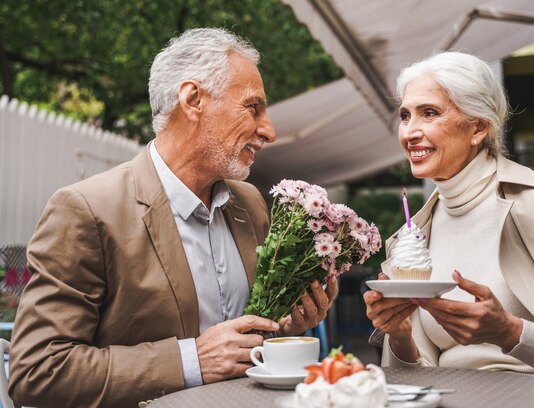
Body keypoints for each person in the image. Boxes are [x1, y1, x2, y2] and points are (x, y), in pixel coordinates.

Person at [8, 28, 337, 408]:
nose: (270, 131)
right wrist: (192, 360)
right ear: (193, 99)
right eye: (253, 107)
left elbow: (245, 340)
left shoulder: (249, 204)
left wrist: (285, 326)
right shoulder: (85, 210)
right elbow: (37, 370)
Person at [364, 51, 534, 407]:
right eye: (405, 116)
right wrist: (399, 336)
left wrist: (511, 332)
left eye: (430, 113)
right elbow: (418, 379)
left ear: (478, 127)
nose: (410, 132)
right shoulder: (413, 235)